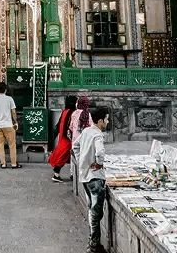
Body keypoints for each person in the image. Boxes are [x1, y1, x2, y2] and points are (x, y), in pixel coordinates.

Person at [72, 106, 110, 253]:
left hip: (85, 176)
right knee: (96, 212)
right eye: (106, 119)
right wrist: (98, 163)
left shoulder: (86, 131)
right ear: (100, 121)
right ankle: (93, 245)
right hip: (95, 178)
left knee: (91, 208)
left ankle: (94, 242)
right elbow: (100, 152)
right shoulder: (97, 135)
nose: (107, 122)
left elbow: (75, 146)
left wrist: (81, 161)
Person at [0, 81, 20, 169]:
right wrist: (15, 122)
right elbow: (13, 112)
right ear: (5, 90)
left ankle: (3, 164)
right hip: (8, 125)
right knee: (12, 145)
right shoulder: (9, 99)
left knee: (0, 145)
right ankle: (14, 164)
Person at [48, 95, 78, 182]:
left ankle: (67, 173)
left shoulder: (65, 111)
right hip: (68, 138)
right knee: (64, 155)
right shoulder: (72, 113)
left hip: (62, 136)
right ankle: (56, 173)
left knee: (62, 153)